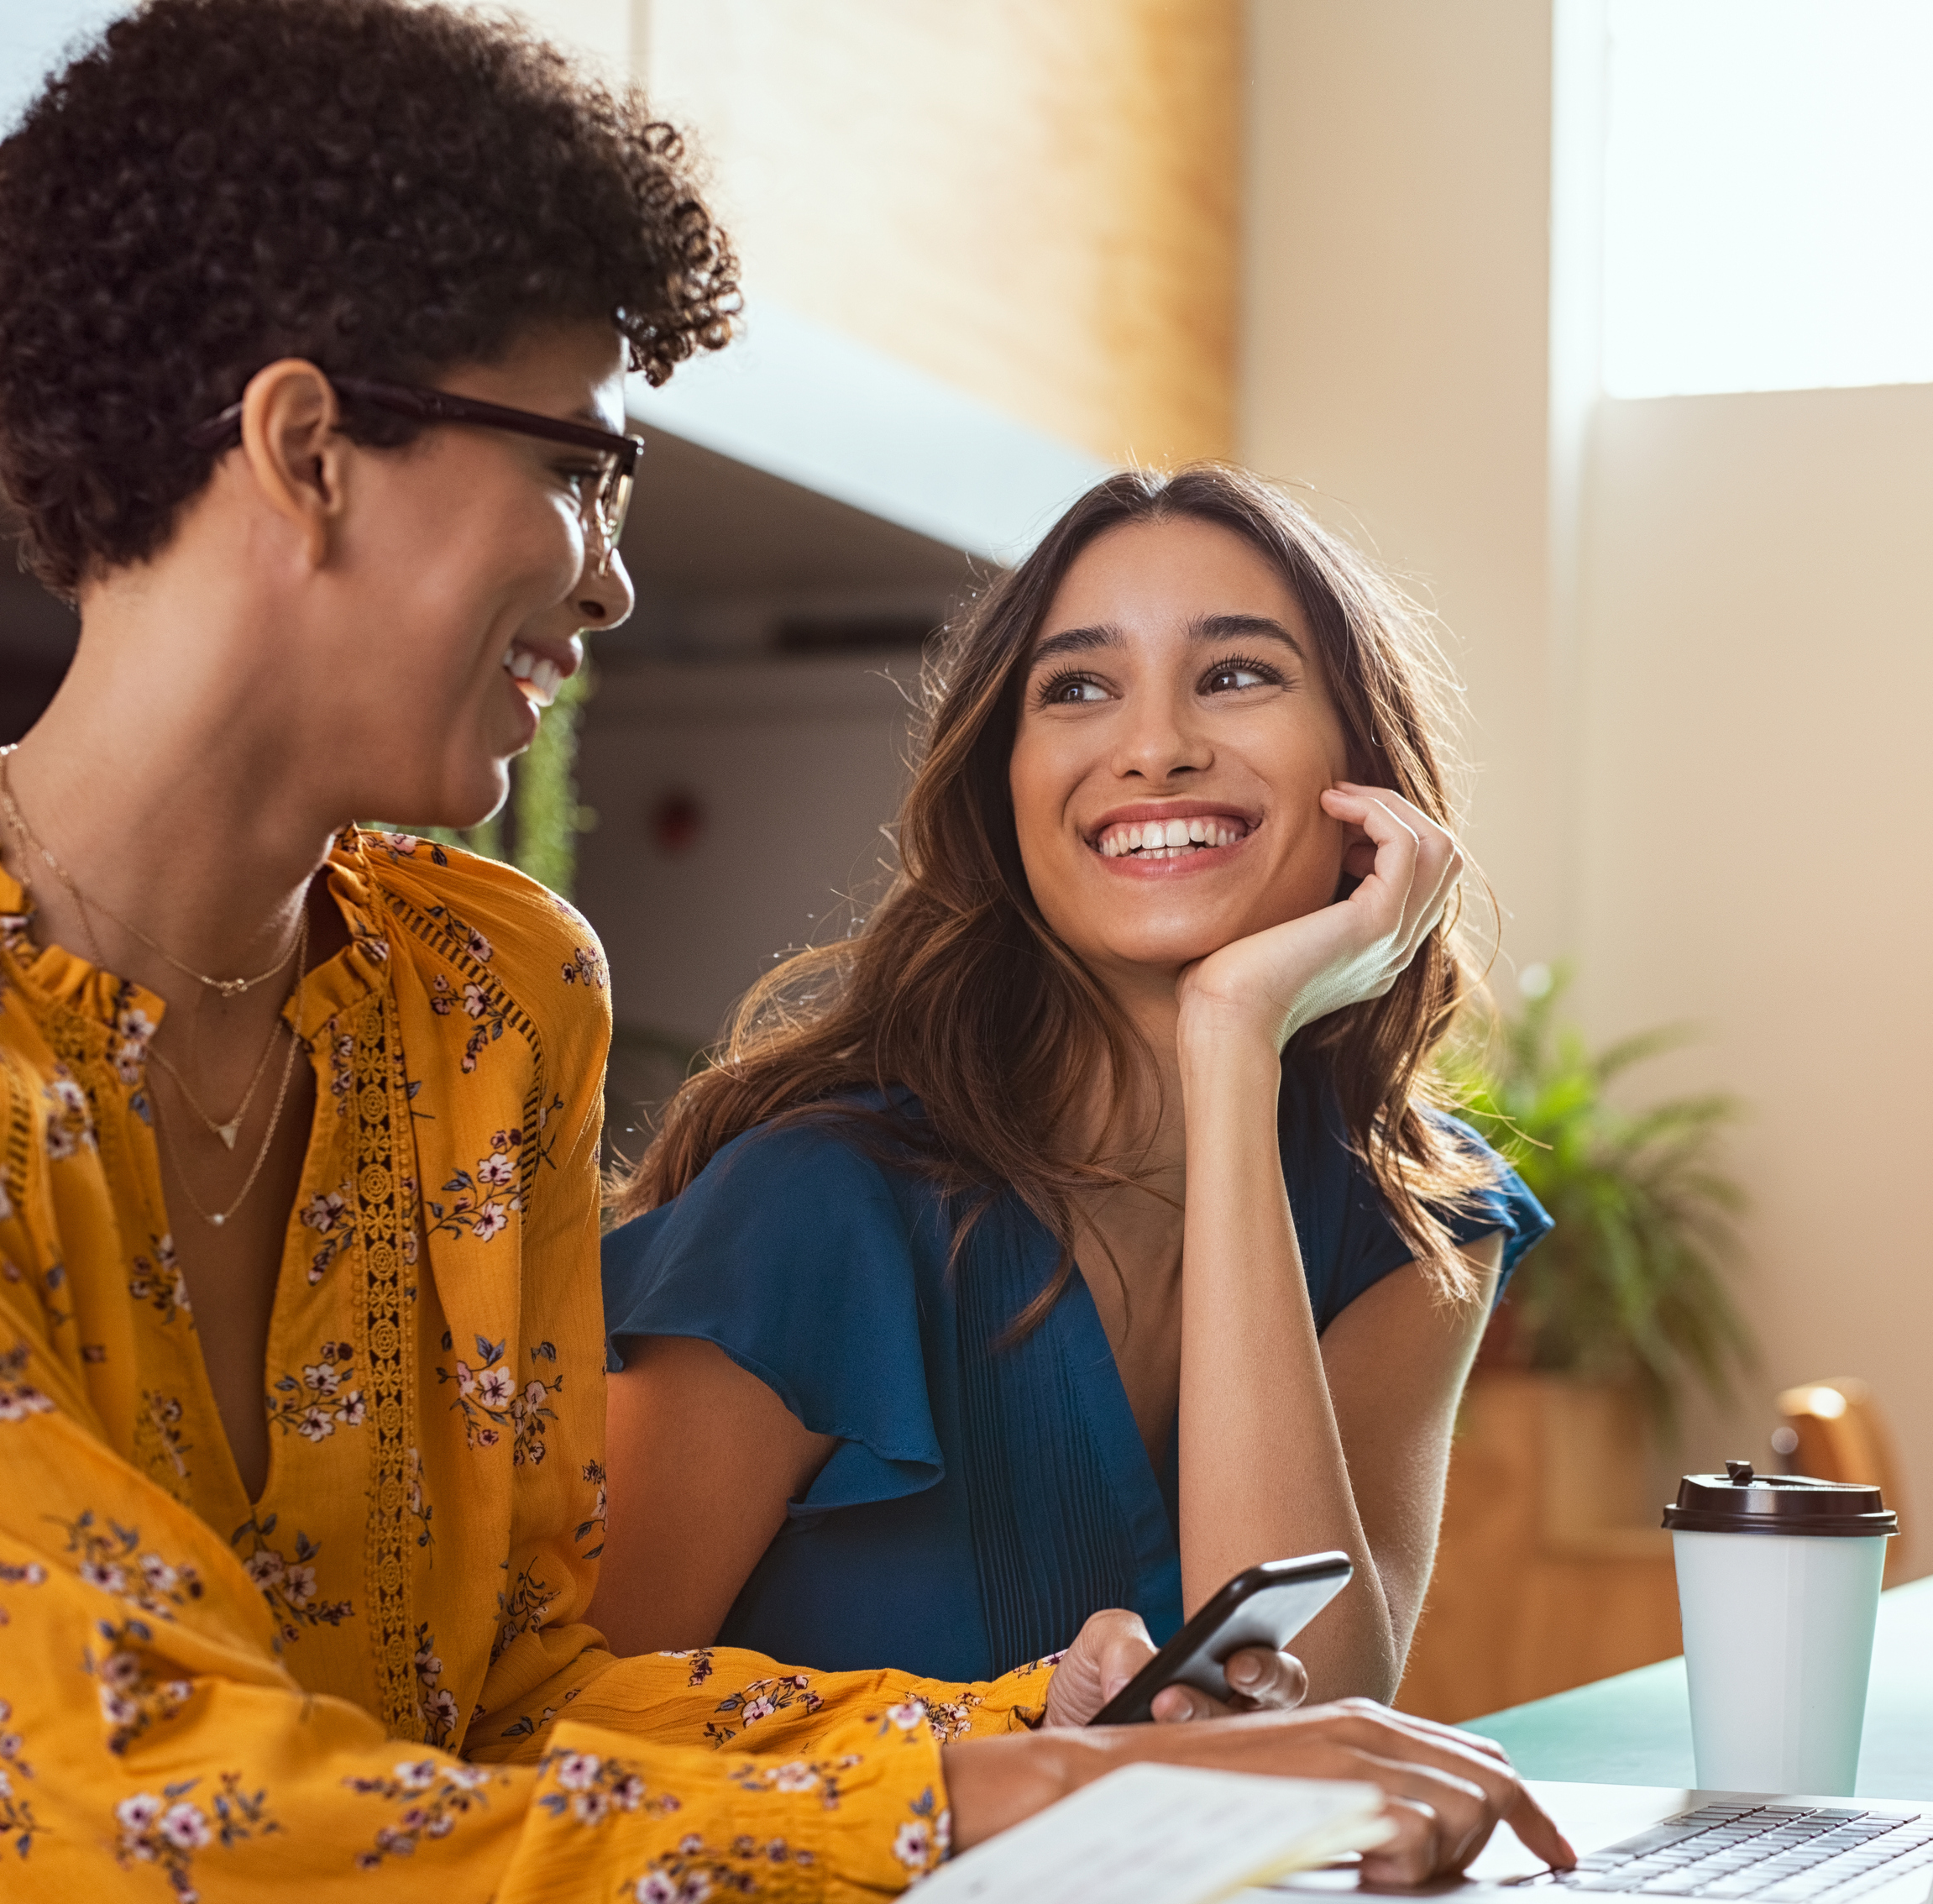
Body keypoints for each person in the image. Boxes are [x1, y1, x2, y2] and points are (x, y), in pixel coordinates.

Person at [0, 8, 1561, 1904]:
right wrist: (987, 1791)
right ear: (307, 446)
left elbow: (501, 1700)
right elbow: (156, 1824)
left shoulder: (483, 998)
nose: (606, 574)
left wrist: (1034, 1735)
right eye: (582, 465)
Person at [590, 467, 1548, 1701]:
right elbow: (552, 1739)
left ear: (1363, 769)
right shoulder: (812, 1212)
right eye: (1079, 687)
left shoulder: (1413, 1219)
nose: (1154, 747)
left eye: (1238, 673)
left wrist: (1233, 1033)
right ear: (1007, 783)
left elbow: (1301, 1724)